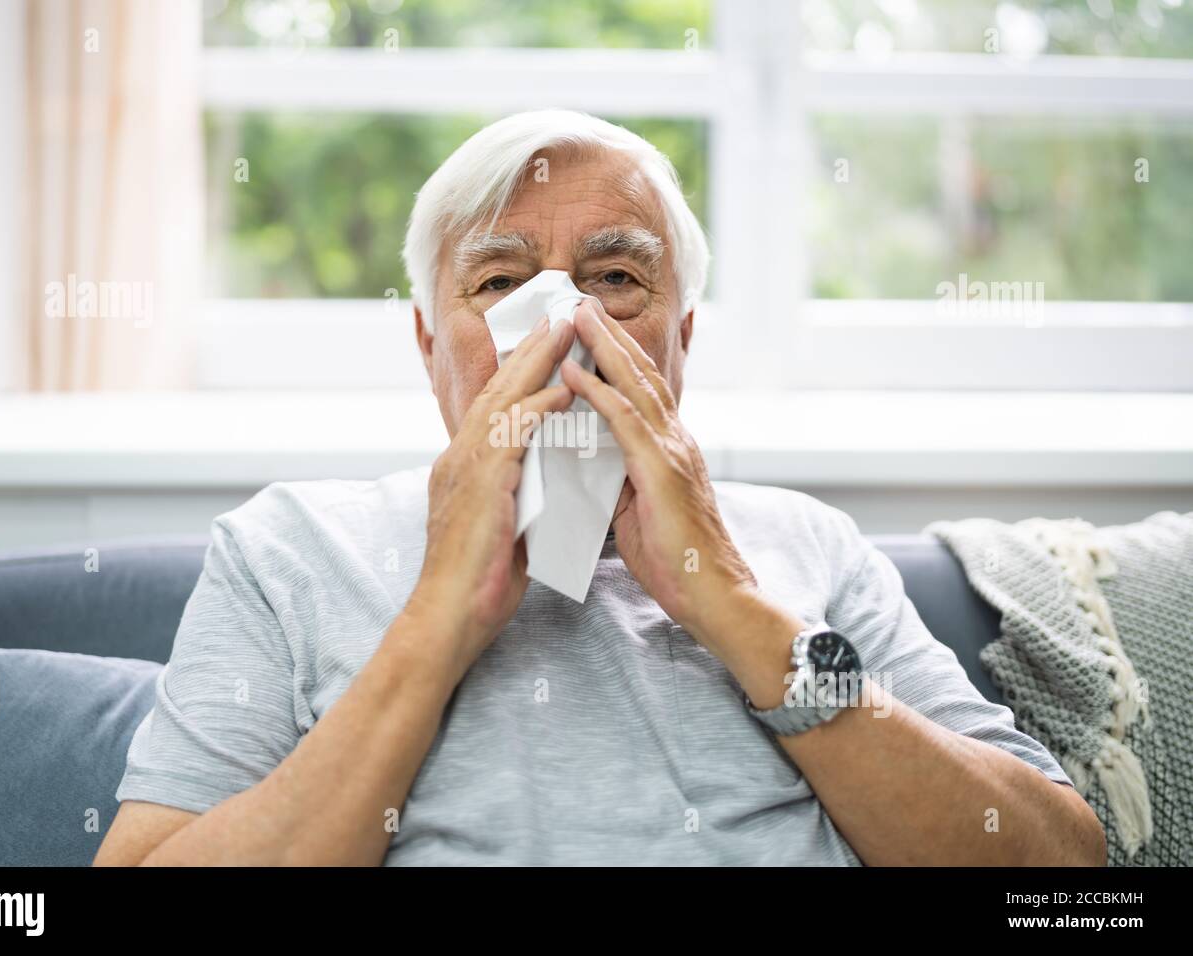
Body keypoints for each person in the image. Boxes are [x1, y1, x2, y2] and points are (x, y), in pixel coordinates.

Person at [95, 110, 1104, 866]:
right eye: (498, 284)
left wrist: (738, 607)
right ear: (425, 346)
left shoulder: (809, 542)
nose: (563, 327)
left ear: (682, 341)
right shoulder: (290, 547)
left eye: (616, 279)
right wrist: (439, 614)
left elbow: (1057, 863)